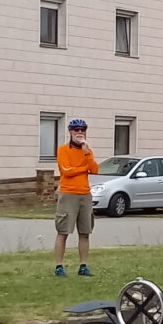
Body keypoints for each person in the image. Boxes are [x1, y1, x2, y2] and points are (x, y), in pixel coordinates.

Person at [55, 118, 99, 277]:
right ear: (70, 132)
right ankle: (59, 266)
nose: (79, 132)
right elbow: (66, 170)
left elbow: (94, 170)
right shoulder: (62, 150)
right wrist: (84, 167)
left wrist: (86, 154)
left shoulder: (88, 151)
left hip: (85, 194)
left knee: (85, 232)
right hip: (68, 193)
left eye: (82, 130)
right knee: (63, 231)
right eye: (76, 130)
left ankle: (83, 266)